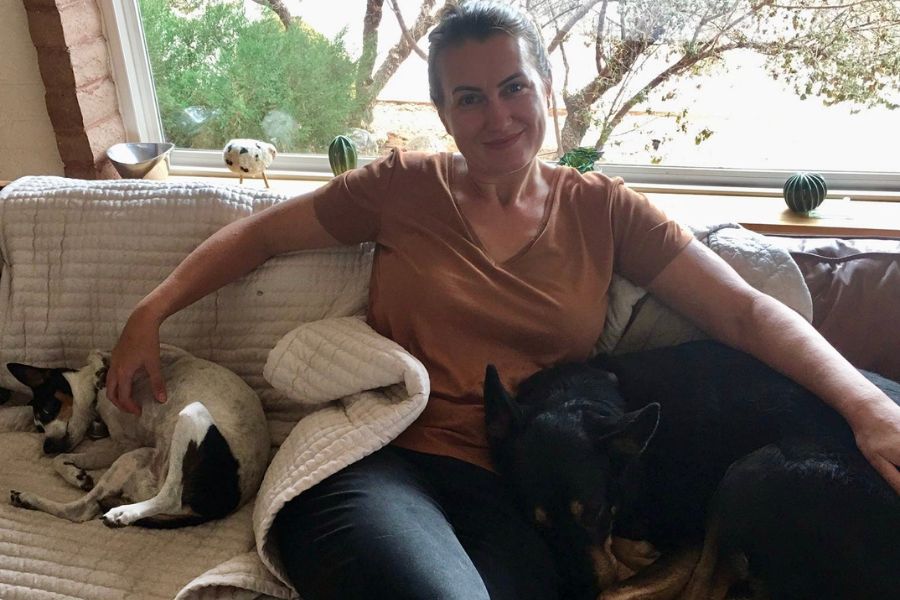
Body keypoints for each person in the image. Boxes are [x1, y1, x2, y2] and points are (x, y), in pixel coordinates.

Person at [106, 2, 900, 598]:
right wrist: (151, 312)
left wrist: (864, 405)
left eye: (514, 86)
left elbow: (746, 312)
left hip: (518, 489)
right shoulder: (402, 187)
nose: (498, 115)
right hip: (382, 459)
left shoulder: (605, 210)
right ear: (444, 113)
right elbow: (262, 237)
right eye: (470, 98)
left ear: (546, 89)